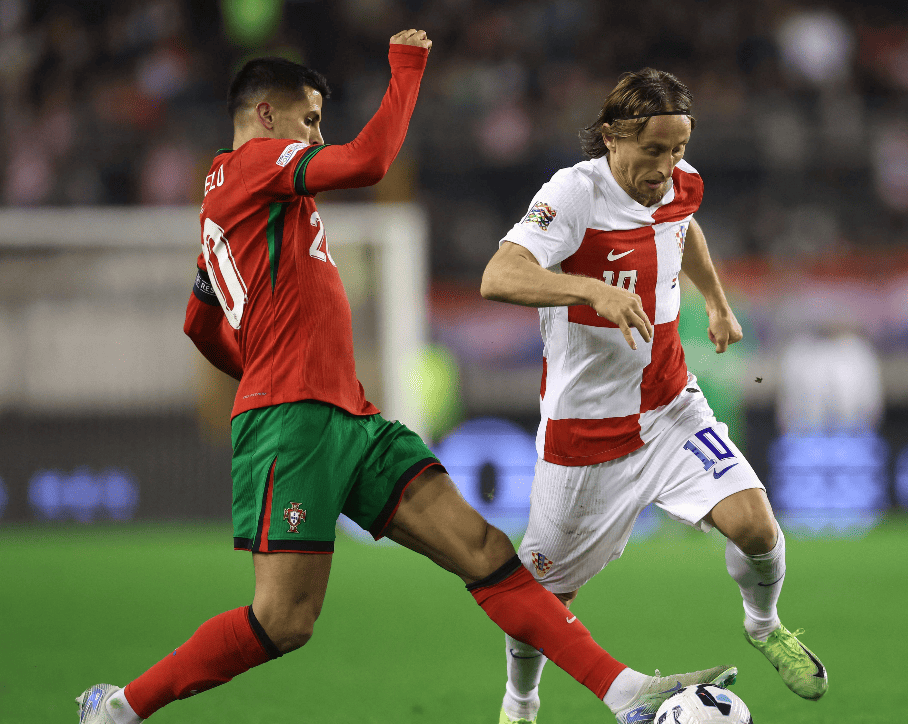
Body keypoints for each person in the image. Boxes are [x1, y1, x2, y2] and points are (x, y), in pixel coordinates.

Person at [75, 31, 734, 724]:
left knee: (482, 550)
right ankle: (119, 709)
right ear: (265, 116)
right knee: (283, 620)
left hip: (343, 416)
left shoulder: (239, 199)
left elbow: (200, 321)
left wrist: (260, 369)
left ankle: (625, 693)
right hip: (295, 422)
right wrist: (407, 68)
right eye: (309, 120)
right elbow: (369, 160)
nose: (317, 135)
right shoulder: (256, 162)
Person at [480, 68, 828, 724]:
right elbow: (499, 275)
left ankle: (764, 625)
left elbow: (685, 228)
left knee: (756, 525)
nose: (667, 167)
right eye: (653, 150)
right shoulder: (572, 195)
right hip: (585, 435)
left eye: (677, 149)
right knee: (542, 597)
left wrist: (718, 304)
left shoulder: (679, 183)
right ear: (612, 137)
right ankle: (519, 703)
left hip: (669, 407)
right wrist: (591, 289)